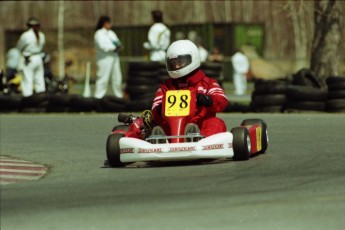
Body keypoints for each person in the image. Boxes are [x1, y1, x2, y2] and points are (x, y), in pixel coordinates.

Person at [151, 40, 229, 137]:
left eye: (180, 62)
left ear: (192, 59)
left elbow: (222, 100)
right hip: (172, 127)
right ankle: (158, 140)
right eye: (173, 63)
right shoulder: (167, 86)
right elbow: (155, 107)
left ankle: (199, 140)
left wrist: (206, 99)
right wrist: (161, 108)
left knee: (216, 123)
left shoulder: (207, 83)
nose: (176, 66)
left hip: (200, 126)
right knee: (148, 125)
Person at [94, 16, 123, 99]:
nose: (110, 24)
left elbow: (117, 42)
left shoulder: (111, 33)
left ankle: (118, 95)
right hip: (104, 58)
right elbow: (102, 46)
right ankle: (98, 97)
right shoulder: (99, 33)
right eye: (108, 22)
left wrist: (118, 46)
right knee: (103, 77)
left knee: (117, 77)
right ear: (104, 23)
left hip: (114, 57)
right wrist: (113, 48)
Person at [16, 17, 46, 97]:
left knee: (27, 78)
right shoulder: (41, 35)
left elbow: (19, 46)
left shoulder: (26, 35)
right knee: (39, 78)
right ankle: (41, 95)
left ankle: (27, 96)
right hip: (38, 58)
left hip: (29, 58)